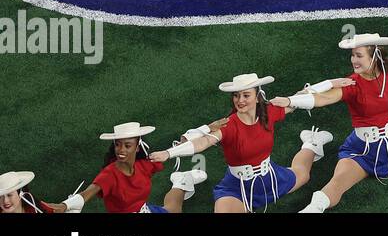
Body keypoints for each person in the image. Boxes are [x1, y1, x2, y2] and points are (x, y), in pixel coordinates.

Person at [273, 34, 388, 213]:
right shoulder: (352, 84)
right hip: (361, 150)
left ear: (374, 56)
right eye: (352, 55)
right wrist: (291, 101)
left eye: (359, 55)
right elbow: (322, 99)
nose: (353, 60)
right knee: (337, 182)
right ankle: (312, 208)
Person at [149, 74, 333, 213]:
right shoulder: (229, 124)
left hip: (270, 176)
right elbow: (202, 143)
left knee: (303, 174)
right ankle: (182, 182)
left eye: (246, 95)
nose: (240, 100)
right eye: (237, 96)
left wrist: (331, 83)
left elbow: (299, 98)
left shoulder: (269, 113)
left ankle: (311, 143)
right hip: (236, 187)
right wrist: (169, 153)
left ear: (258, 97)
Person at [47, 121, 207, 214]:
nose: (121, 150)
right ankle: (181, 181)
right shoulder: (109, 174)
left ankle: (181, 181)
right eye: (118, 145)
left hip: (145, 211)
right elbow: (86, 193)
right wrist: (64, 206)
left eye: (127, 145)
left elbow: (170, 152)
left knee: (174, 210)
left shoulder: (143, 165)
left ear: (137, 147)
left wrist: (205, 129)